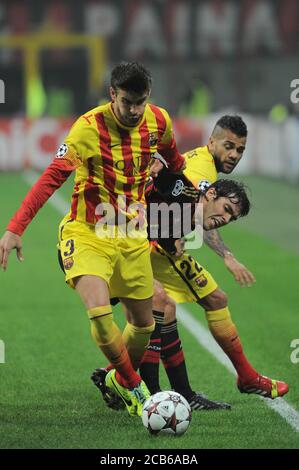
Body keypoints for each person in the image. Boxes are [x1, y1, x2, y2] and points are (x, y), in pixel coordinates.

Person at [0, 61, 186, 418]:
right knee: (101, 315)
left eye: (141, 102)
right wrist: (15, 227)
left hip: (131, 236)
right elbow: (52, 177)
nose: (134, 111)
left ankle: (117, 379)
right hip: (87, 233)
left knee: (145, 326)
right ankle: (136, 390)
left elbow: (175, 162)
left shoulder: (159, 121)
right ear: (112, 94)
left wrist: (182, 202)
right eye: (128, 102)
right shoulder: (87, 128)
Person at [92, 115, 289, 411]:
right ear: (212, 142)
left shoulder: (204, 167)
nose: (234, 155)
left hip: (155, 239)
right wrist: (225, 255)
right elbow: (196, 207)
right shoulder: (201, 170)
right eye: (229, 146)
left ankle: (170, 389)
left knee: (197, 301)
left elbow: (193, 209)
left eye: (240, 150)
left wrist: (177, 230)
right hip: (138, 242)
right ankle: (138, 386)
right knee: (163, 303)